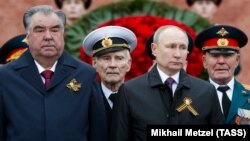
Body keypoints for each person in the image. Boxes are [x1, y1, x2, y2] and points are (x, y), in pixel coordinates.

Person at [0, 5, 107, 141]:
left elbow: (98, 133)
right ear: (28, 35)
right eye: (39, 30)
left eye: (55, 30)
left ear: (63, 33)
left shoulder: (86, 74)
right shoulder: (5, 77)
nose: (48, 36)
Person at [111, 25, 225, 141]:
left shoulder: (206, 91)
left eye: (182, 47)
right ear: (154, 49)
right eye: (171, 47)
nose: (177, 54)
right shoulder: (130, 91)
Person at [83, 25, 137, 138]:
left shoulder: (141, 98)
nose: (112, 65)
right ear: (94, 64)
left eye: (119, 58)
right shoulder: (84, 100)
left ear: (129, 64)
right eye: (106, 58)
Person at [195, 24, 250, 124]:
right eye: (215, 55)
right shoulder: (192, 97)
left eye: (227, 55)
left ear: (237, 60)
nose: (221, 61)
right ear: (204, 61)